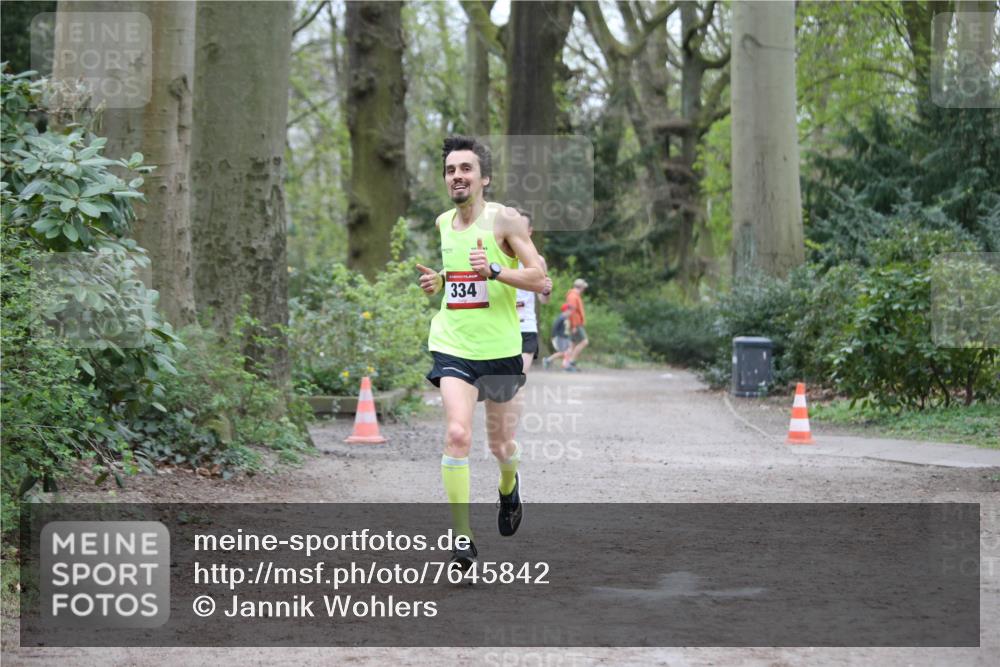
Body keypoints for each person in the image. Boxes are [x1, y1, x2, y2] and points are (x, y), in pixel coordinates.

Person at [415, 136, 547, 571]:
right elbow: (460, 277)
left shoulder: (504, 221)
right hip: (453, 344)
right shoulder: (441, 224)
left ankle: (509, 486)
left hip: (501, 350)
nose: (458, 176)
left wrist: (493, 270)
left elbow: (539, 278)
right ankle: (463, 541)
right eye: (451, 170)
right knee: (457, 435)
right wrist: (441, 280)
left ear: (483, 178)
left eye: (466, 169)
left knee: (501, 445)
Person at [514, 211, 552, 373]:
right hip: (502, 325)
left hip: (526, 325)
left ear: (530, 231)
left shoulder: (538, 261)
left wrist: (546, 291)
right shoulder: (500, 258)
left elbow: (544, 300)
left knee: (517, 378)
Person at [563, 279, 589, 371]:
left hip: (576, 323)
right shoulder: (573, 296)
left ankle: (567, 365)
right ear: (581, 287)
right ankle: (571, 362)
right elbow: (572, 312)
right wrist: (574, 326)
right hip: (576, 324)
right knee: (584, 341)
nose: (584, 290)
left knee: (572, 345)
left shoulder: (575, 295)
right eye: (584, 288)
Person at [542, 304, 573, 370]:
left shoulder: (567, 318)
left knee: (568, 351)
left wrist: (569, 338)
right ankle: (547, 360)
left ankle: (565, 365)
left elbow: (567, 330)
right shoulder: (561, 318)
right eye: (569, 310)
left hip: (566, 338)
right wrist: (553, 336)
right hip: (560, 337)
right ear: (565, 310)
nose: (571, 312)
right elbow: (555, 327)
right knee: (562, 352)